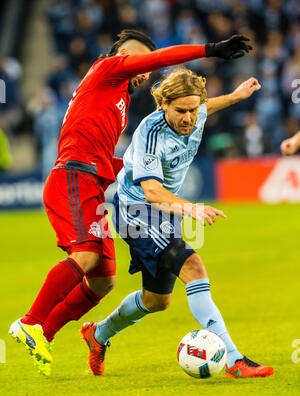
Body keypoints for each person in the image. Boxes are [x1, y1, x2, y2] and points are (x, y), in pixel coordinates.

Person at [9, 30, 252, 376]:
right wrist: (210, 49)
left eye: (145, 67)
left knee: (104, 279)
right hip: (74, 177)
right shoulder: (107, 69)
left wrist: (132, 166)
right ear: (121, 52)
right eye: (137, 59)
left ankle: (46, 334)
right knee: (88, 253)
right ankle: (30, 322)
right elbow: (158, 60)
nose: (142, 70)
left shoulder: (115, 98)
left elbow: (110, 154)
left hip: (93, 184)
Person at [81, 68, 274, 379]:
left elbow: (205, 107)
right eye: (180, 110)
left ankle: (98, 334)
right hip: (136, 210)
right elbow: (152, 192)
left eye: (192, 110)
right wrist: (192, 209)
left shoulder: (196, 112)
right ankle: (234, 360)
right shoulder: (150, 132)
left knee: (157, 300)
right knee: (194, 267)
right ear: (163, 106)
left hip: (163, 212)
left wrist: (236, 97)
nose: (188, 118)